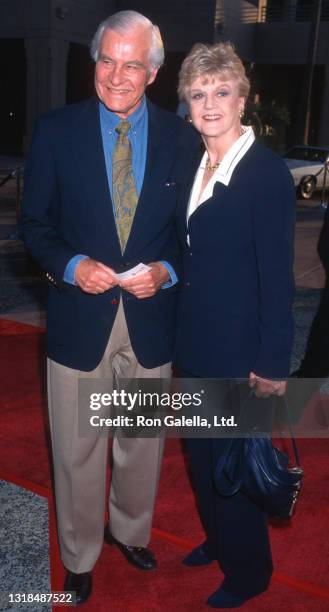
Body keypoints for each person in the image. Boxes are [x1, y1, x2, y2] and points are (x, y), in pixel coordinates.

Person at [21, 10, 198, 605]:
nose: (117, 76)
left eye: (132, 64)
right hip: (79, 316)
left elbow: (193, 236)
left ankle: (129, 531)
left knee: (141, 441)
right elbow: (35, 225)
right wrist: (72, 266)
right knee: (76, 447)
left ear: (153, 71)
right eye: (106, 60)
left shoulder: (182, 137)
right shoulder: (54, 131)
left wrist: (168, 271)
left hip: (151, 319)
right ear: (93, 61)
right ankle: (78, 553)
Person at [174, 43, 296, 608]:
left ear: (242, 100)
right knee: (201, 458)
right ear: (188, 104)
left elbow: (278, 277)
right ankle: (220, 543)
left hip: (241, 351)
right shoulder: (194, 165)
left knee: (235, 462)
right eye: (199, 94)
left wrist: (273, 362)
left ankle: (249, 572)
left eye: (221, 92)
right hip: (195, 345)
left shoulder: (266, 173)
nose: (210, 103)